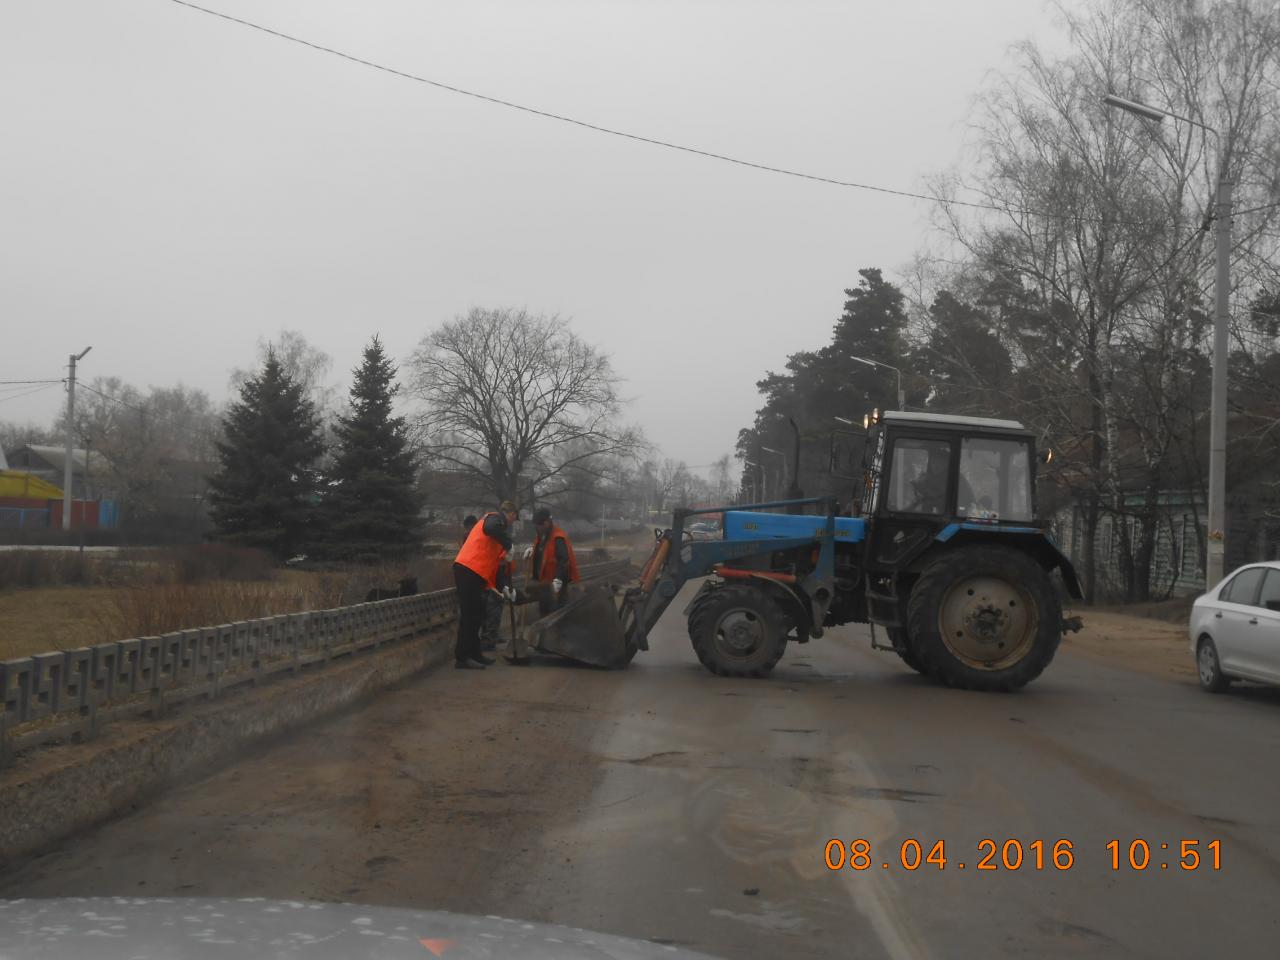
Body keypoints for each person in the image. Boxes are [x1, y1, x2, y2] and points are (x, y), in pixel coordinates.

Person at [506, 507, 580, 666]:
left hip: (556, 584)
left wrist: (559, 580)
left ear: (546, 522)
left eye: (538, 525)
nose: (536, 529)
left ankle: (557, 646)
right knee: (544, 612)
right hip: (544, 584)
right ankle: (545, 645)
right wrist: (533, 550)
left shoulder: (558, 537)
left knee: (555, 614)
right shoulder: (544, 535)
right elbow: (544, 551)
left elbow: (563, 560)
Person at [452, 500, 518, 669]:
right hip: (468, 569)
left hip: (475, 573)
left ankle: (475, 653)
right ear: (510, 514)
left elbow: (494, 564)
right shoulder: (494, 519)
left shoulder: (497, 530)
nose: (512, 523)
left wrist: (502, 586)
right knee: (470, 615)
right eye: (513, 518)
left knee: (479, 614)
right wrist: (509, 544)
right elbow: (489, 529)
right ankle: (463, 657)